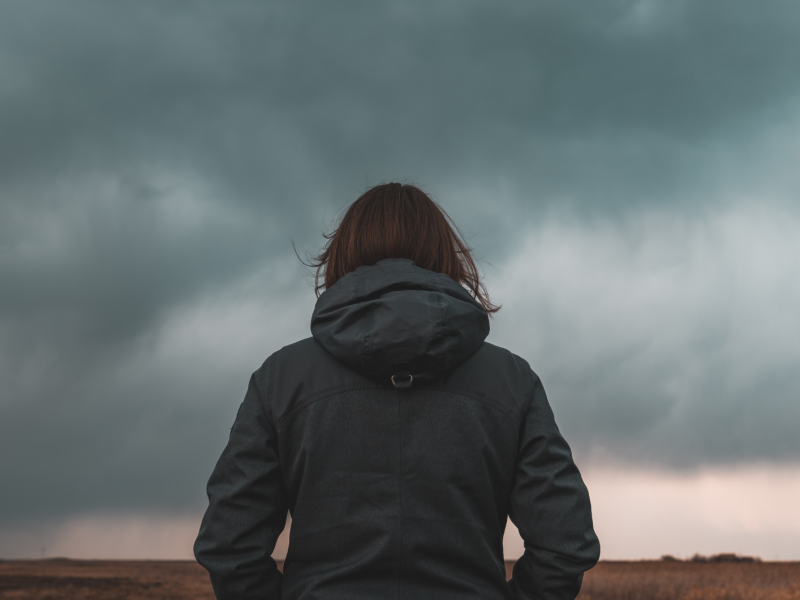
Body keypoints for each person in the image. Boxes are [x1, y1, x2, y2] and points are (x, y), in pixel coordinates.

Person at [194, 182, 600, 599]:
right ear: (445, 256)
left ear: (343, 256)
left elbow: (229, 544)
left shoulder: (281, 380)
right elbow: (565, 543)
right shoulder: (512, 382)